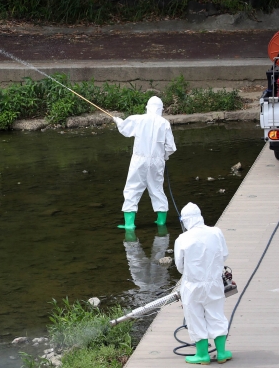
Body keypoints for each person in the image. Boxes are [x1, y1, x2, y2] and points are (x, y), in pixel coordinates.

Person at [174, 202, 232, 365]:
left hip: (192, 286)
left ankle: (202, 355)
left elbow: (180, 266)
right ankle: (222, 353)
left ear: (185, 220)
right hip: (214, 283)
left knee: (195, 317)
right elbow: (224, 255)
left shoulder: (182, 239)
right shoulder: (216, 232)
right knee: (216, 314)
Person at [113, 96, 176, 230]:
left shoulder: (138, 119)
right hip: (157, 161)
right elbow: (171, 147)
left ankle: (129, 224)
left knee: (132, 188)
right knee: (157, 189)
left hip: (139, 160)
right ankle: (161, 222)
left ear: (147, 107)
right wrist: (164, 156)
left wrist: (118, 121)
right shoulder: (164, 123)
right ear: (160, 109)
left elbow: (125, 129)